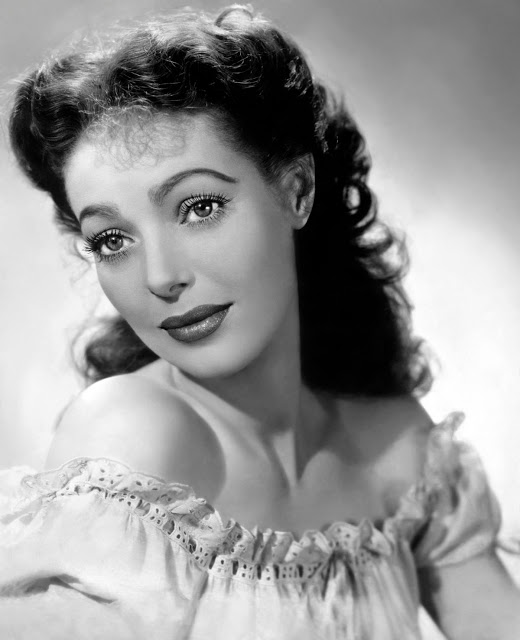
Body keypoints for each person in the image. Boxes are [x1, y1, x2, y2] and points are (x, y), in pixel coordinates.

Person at [0, 4, 519, 639]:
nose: (161, 276)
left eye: (199, 206)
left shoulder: (397, 452)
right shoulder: (131, 438)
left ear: (297, 191)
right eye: (112, 240)